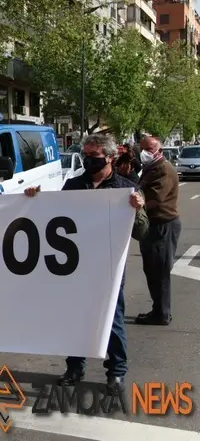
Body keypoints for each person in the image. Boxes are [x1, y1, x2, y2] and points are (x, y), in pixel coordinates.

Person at [24, 134, 148, 393]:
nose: (88, 160)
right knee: (76, 317)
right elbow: (52, 215)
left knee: (112, 321)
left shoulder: (126, 187)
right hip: (75, 266)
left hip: (109, 267)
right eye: (85, 155)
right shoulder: (73, 185)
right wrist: (33, 199)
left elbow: (142, 231)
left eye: (94, 156)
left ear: (110, 157)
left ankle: (116, 372)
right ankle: (75, 366)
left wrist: (137, 209)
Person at [136, 136, 181, 326]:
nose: (145, 151)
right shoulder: (150, 168)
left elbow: (154, 198)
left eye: (149, 148)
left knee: (159, 271)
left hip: (163, 225)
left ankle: (162, 313)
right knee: (152, 269)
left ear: (159, 150)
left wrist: (137, 202)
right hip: (153, 225)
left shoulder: (163, 169)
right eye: (142, 147)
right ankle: (158, 310)